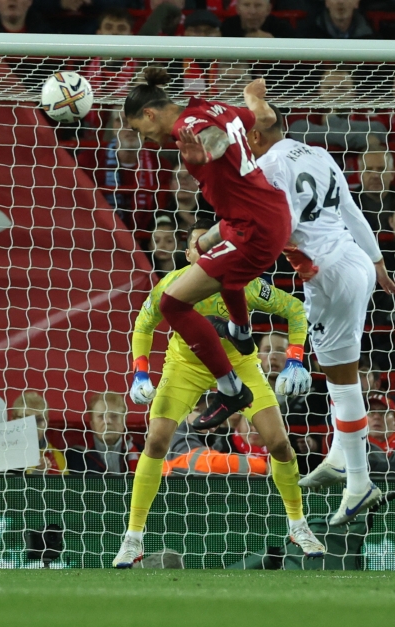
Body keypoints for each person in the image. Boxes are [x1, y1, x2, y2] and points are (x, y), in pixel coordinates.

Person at [113, 219, 323, 566]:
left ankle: (298, 525)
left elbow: (295, 310)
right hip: (186, 367)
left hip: (240, 365)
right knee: (155, 442)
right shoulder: (171, 284)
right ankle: (133, 538)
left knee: (280, 444)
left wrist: (295, 360)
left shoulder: (249, 285)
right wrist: (139, 372)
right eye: (200, 245)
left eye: (213, 245)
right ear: (187, 253)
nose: (207, 251)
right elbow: (143, 325)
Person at [245, 94, 395, 526]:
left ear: (256, 136)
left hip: (329, 275)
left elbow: (279, 227)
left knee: (344, 381)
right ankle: (338, 457)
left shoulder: (268, 167)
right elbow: (350, 211)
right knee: (335, 372)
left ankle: (359, 481)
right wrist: (377, 261)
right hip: (351, 263)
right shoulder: (318, 152)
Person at [121, 68, 290, 427]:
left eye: (139, 129)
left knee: (172, 303)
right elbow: (265, 116)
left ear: (149, 113)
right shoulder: (217, 108)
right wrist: (251, 92)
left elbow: (214, 142)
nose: (143, 138)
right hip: (259, 215)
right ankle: (241, 332)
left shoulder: (194, 125)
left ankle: (231, 388)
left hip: (253, 230)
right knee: (208, 254)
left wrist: (204, 153)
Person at [66, 392, 141, 473]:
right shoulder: (76, 455)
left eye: (114, 416)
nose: (107, 421)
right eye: (101, 417)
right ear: (92, 425)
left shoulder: (141, 452)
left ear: (123, 421)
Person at [10, 390, 66, 475]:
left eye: (39, 420)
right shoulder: (3, 455)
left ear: (46, 422)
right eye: (26, 419)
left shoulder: (57, 457)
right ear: (13, 420)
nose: (33, 427)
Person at [298, 0, 374, 40]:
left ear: (357, 2)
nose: (340, 1)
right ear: (326, 1)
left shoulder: (372, 39)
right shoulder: (309, 37)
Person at [221, 0, 294, 38]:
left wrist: (273, 43)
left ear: (268, 9)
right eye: (246, 5)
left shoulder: (282, 30)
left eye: (258, 5)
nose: (252, 11)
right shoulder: (227, 28)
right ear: (237, 9)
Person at [354, 148, 395, 232]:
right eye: (369, 170)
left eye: (381, 169)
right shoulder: (346, 203)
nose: (375, 175)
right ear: (359, 175)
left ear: (392, 174)